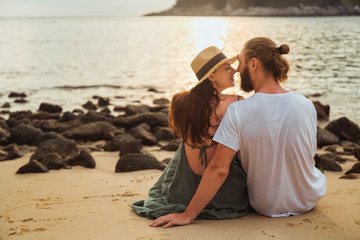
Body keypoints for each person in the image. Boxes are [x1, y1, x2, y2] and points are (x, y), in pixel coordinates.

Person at [150, 37, 327, 228]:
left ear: (253, 63)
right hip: (308, 199)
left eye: (239, 64)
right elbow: (308, 154)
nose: (236, 70)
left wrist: (188, 215)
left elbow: (218, 168)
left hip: (264, 205)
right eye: (230, 66)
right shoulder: (306, 105)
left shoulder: (239, 110)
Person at [131, 46, 250, 220]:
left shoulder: (183, 104)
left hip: (184, 192)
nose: (234, 70)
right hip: (224, 195)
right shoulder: (235, 102)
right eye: (227, 67)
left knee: (184, 148)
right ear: (211, 76)